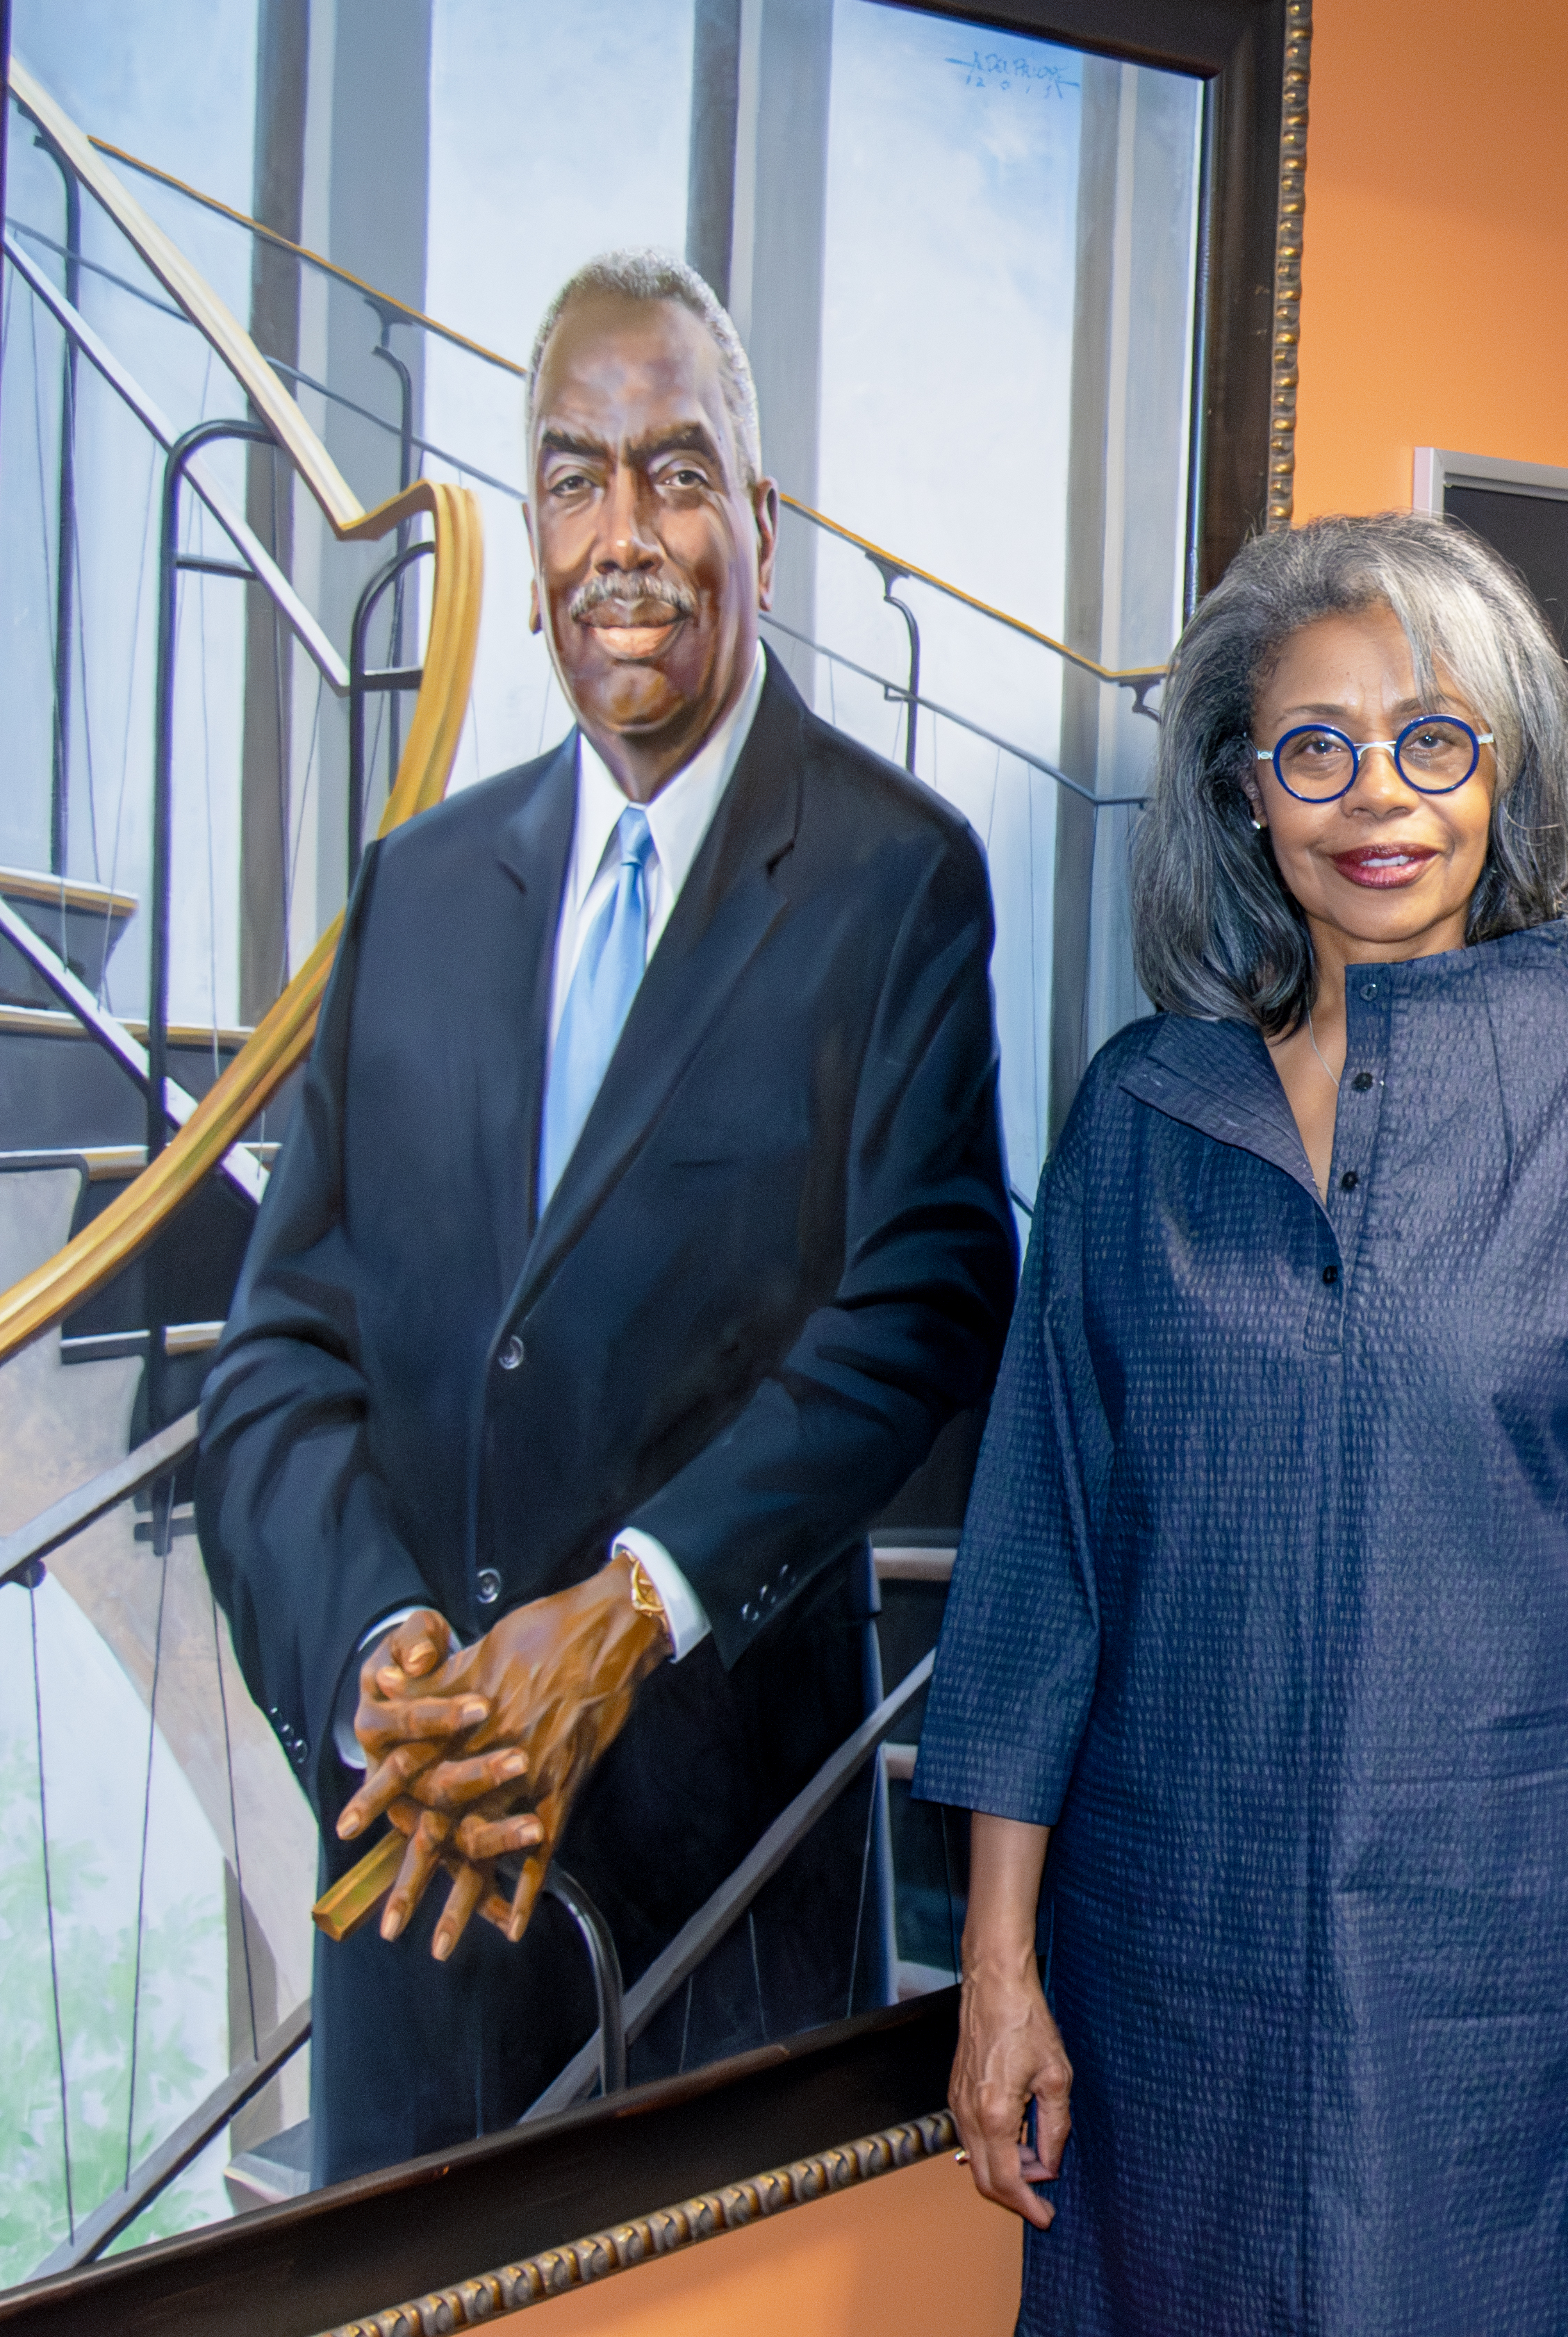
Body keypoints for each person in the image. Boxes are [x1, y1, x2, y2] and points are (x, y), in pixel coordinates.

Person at [918, 511, 1568, 2335]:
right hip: (1166, 1985)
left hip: (1522, 2007)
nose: (1379, 797)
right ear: (1243, 794)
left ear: (1507, 777)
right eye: (1316, 748)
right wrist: (997, 1967)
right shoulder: (1142, 1114)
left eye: (1435, 741)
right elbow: (1038, 1576)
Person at [195, 249, 1017, 2181]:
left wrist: (633, 1603)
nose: (619, 538)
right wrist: (380, 1653)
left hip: (713, 1907)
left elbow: (925, 1295)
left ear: (763, 516)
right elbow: (279, 1358)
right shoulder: (414, 890)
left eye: (673, 473)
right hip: (419, 1899)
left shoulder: (898, 879)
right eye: (572, 478)